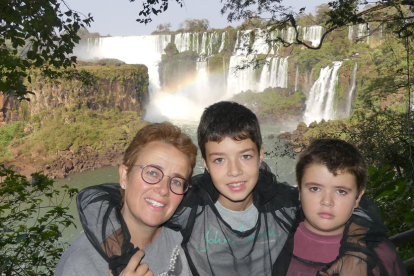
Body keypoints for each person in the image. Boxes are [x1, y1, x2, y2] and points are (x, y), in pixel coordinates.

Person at [76, 101, 389, 275]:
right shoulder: (189, 205)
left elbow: (353, 206)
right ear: (206, 166)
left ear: (260, 156)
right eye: (220, 160)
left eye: (246, 156)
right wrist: (121, 258)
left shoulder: (279, 203)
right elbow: (98, 198)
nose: (235, 171)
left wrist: (356, 253)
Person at [55, 122, 198, 276]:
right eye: (152, 173)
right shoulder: (81, 263)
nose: (163, 189)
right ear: (124, 176)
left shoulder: (183, 239)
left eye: (176, 181)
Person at [287, 138, 407, 276]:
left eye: (341, 191)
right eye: (315, 189)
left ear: (358, 198)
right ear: (299, 189)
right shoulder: (274, 241)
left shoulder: (382, 256)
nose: (327, 201)